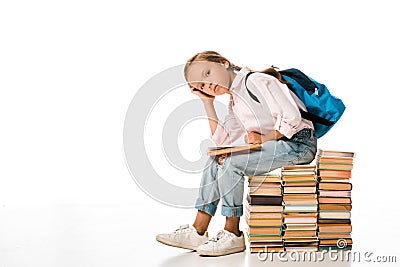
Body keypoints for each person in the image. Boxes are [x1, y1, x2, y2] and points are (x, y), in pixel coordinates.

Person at [156, 51, 317, 256]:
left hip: (299, 144)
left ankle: (233, 232)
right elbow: (223, 141)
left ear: (224, 63)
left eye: (207, 73)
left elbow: (293, 119)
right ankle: (198, 230)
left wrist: (263, 138)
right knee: (216, 159)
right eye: (202, 85)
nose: (208, 84)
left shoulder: (258, 81)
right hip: (279, 146)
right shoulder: (236, 101)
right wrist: (207, 102)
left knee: (232, 162)